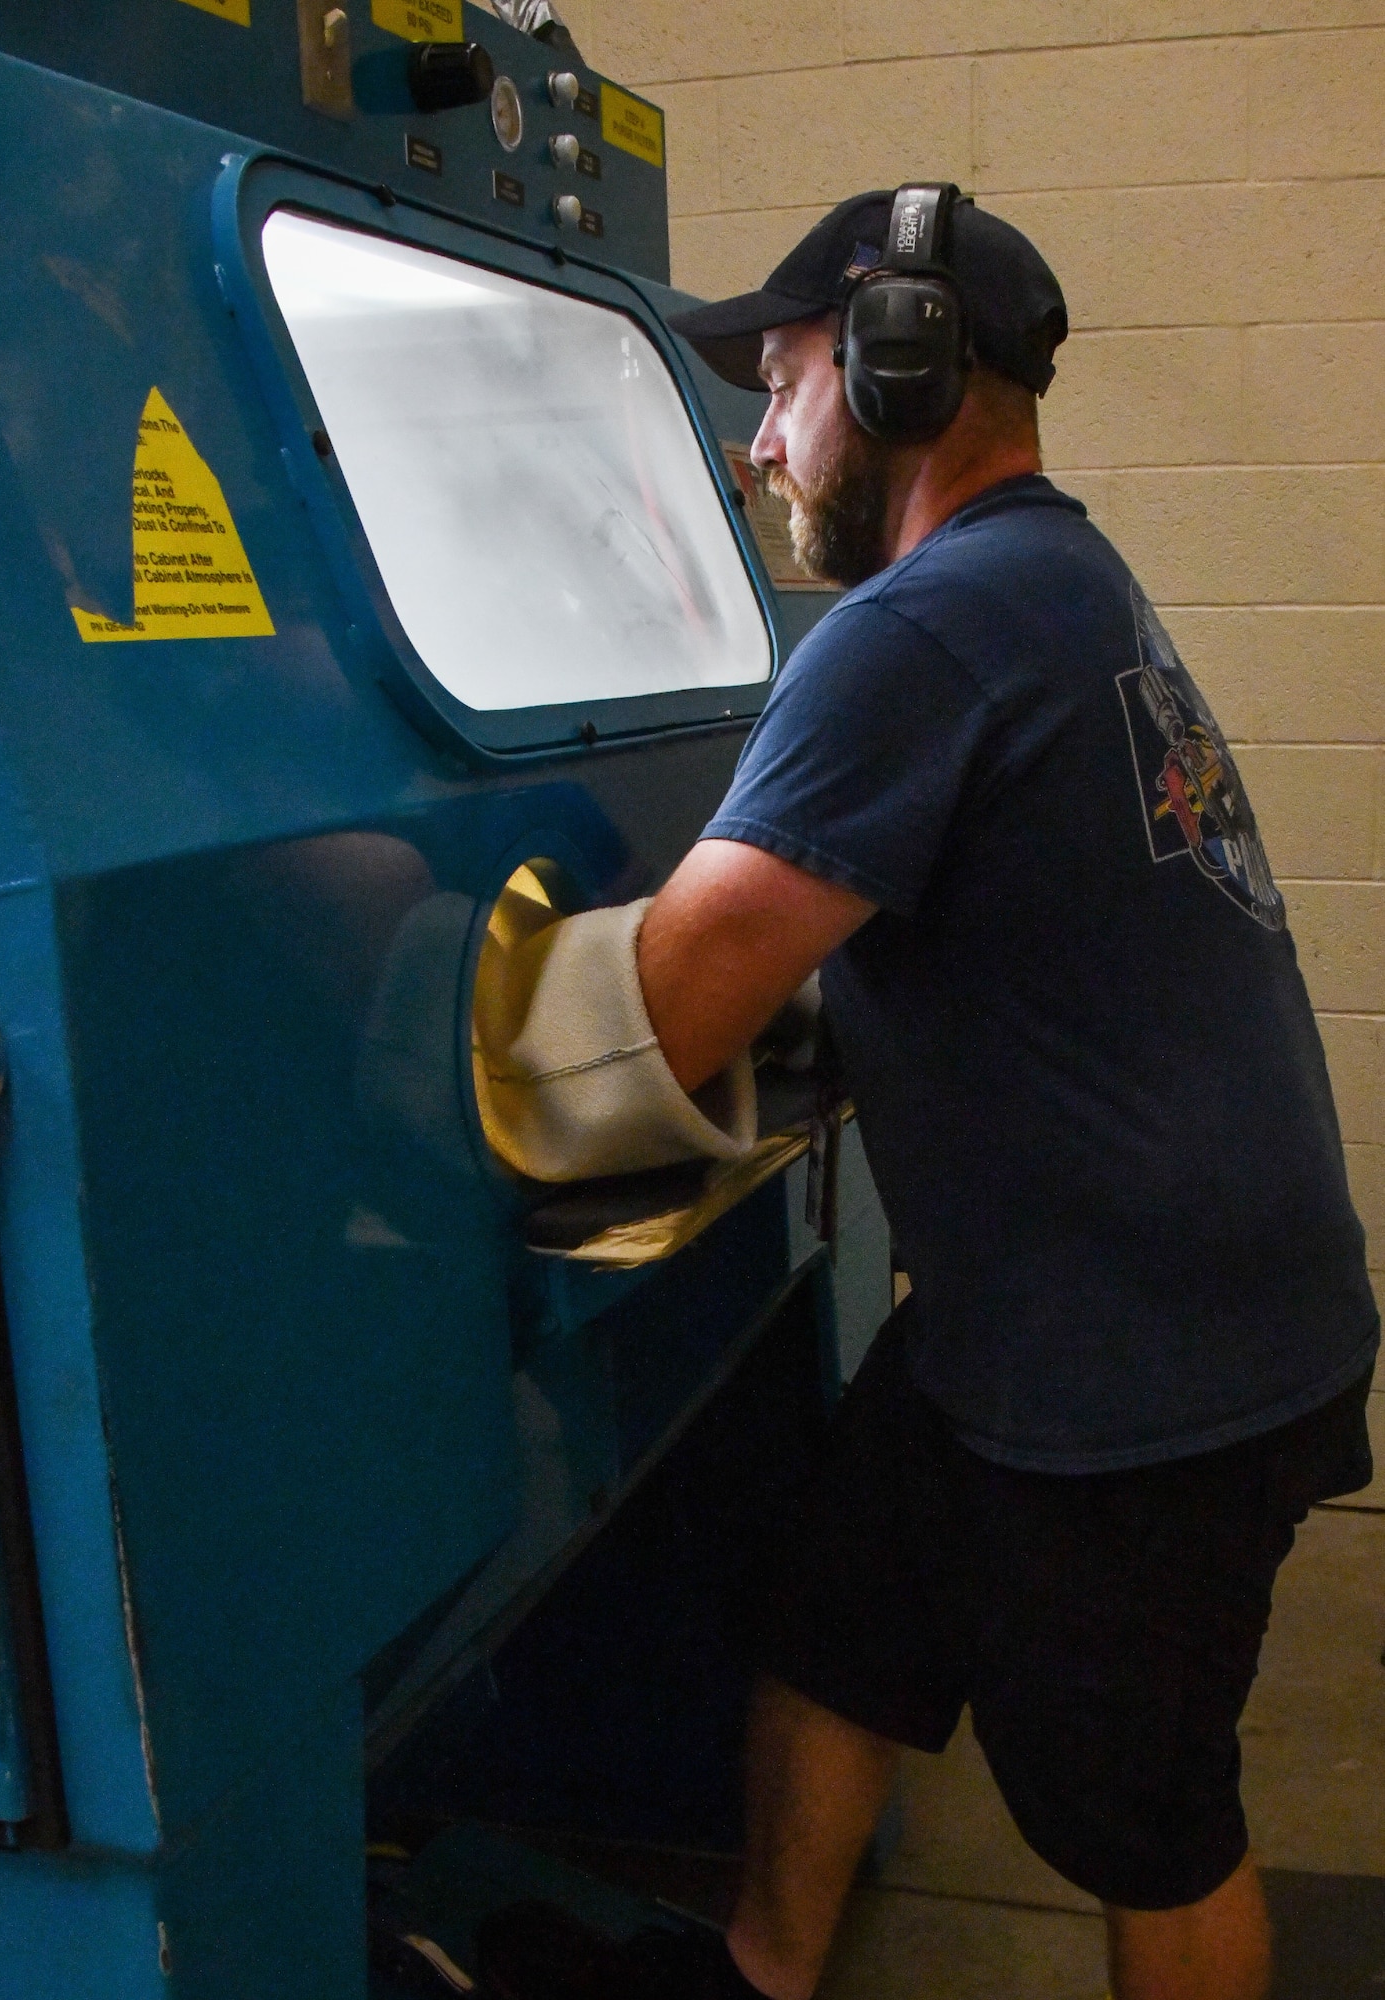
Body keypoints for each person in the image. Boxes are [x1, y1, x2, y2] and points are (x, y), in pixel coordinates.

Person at [473, 189, 1379, 2000]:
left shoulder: (922, 629)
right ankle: (766, 1969)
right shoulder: (1057, 573)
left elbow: (645, 1018)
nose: (762, 435)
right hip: (1094, 1299)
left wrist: (418, 960)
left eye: (791, 377)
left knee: (1135, 1811)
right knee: (841, 1606)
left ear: (899, 373)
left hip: (1142, 1368)